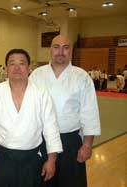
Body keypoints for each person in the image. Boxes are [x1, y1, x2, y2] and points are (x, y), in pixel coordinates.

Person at [0, 49, 63, 187]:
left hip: (31, 160)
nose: (17, 67)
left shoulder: (41, 94)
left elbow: (51, 129)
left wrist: (51, 160)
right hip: (2, 159)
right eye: (12, 63)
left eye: (22, 63)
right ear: (6, 68)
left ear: (29, 68)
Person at [30, 35, 101, 187]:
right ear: (50, 50)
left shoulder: (81, 76)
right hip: (41, 140)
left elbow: (90, 112)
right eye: (56, 47)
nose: (60, 52)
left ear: (71, 50)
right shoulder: (37, 75)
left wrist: (87, 145)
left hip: (70, 143)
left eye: (65, 47)